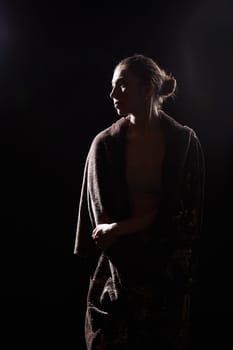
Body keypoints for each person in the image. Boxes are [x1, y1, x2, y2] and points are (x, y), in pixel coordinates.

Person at [74, 54, 205, 350]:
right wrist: (117, 234)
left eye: (122, 85)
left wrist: (119, 228)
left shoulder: (182, 143)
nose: (113, 94)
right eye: (112, 87)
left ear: (147, 89)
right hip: (120, 272)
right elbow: (100, 219)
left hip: (166, 273)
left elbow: (183, 215)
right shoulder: (105, 145)